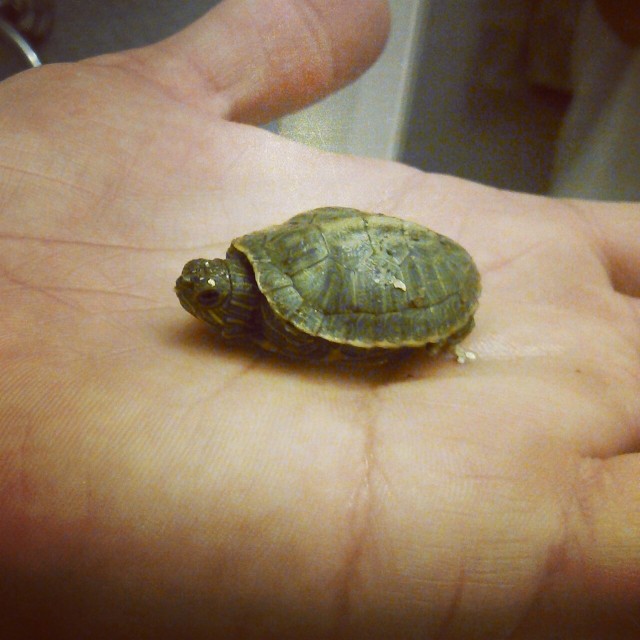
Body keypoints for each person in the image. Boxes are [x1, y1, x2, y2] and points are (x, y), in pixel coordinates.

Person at [0, 1, 638, 638]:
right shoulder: (254, 266)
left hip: (427, 278)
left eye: (213, 297)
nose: (198, 293)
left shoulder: (283, 314)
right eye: (209, 289)